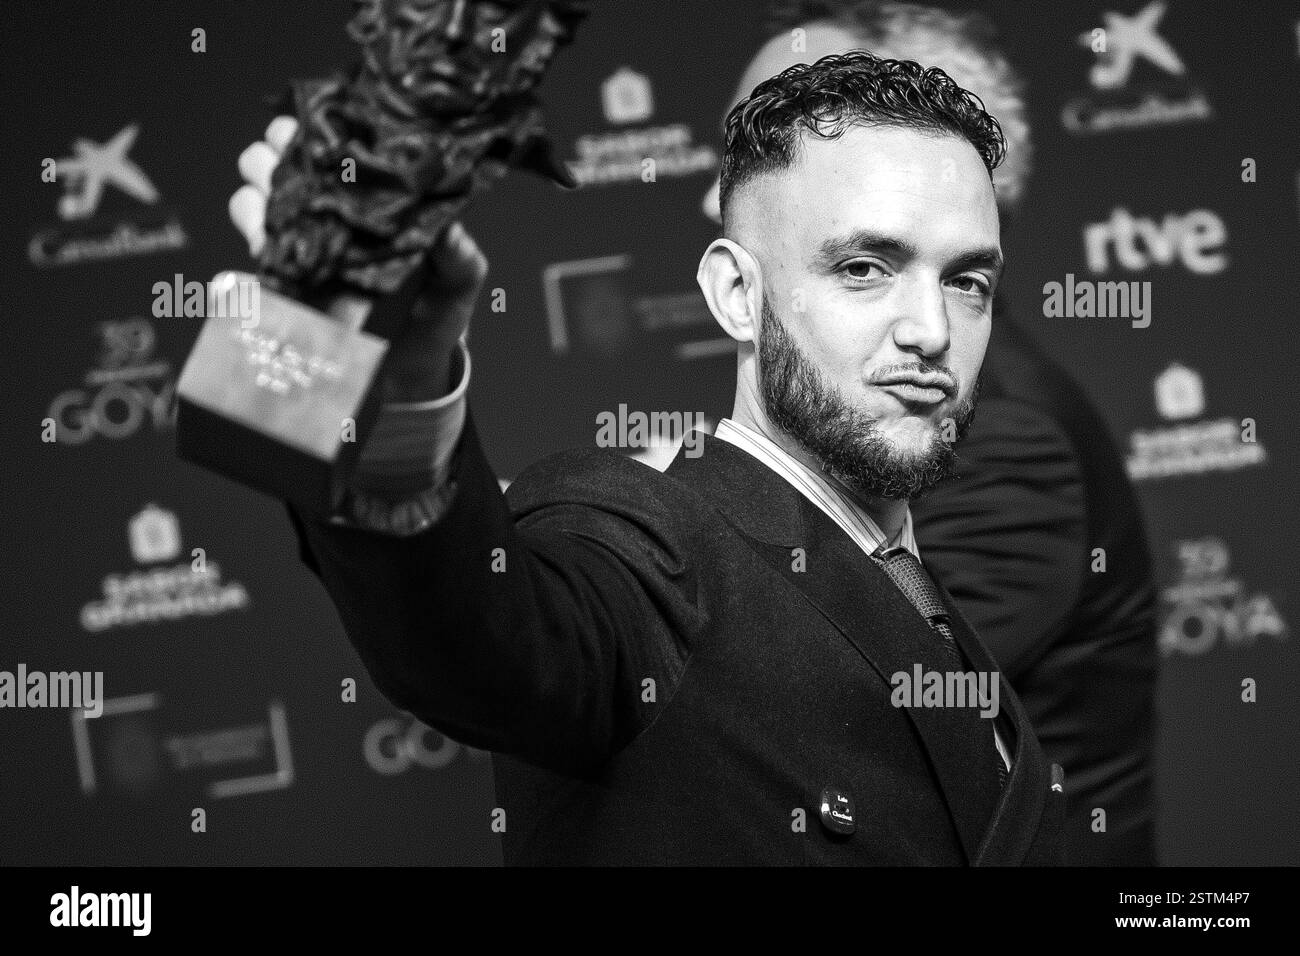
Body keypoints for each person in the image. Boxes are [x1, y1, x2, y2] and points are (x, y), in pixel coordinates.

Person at [231, 52, 1064, 865]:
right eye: (863, 268)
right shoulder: (645, 550)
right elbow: (466, 638)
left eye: (967, 282)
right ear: (737, 296)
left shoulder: (922, 595)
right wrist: (382, 367)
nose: (931, 330)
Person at [705, 1, 1158, 866]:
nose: (715, 185)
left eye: (781, 128)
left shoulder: (980, 428)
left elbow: (833, 705)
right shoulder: (837, 392)